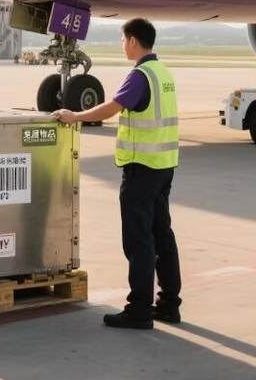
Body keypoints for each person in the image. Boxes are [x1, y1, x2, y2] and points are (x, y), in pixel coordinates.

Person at [53, 17, 181, 329]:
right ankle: (168, 305)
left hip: (142, 168)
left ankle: (139, 309)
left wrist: (75, 116)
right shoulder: (163, 72)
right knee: (162, 234)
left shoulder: (140, 75)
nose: (122, 45)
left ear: (134, 41)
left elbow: (112, 107)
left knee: (139, 240)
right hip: (164, 166)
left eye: (123, 40)